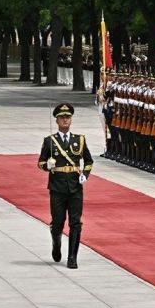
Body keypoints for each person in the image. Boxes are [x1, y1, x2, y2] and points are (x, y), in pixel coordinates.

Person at [38, 103, 93, 269]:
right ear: (57, 120)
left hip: (75, 187)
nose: (65, 120)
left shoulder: (79, 140)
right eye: (62, 118)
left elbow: (89, 161)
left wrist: (85, 175)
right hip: (57, 187)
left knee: (75, 222)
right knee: (58, 222)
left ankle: (72, 257)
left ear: (71, 120)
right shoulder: (50, 141)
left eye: (68, 117)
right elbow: (40, 162)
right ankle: (56, 243)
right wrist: (48, 165)